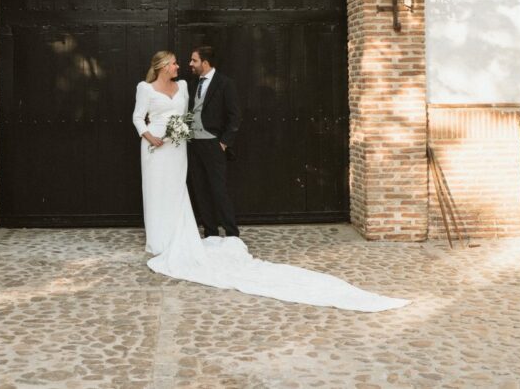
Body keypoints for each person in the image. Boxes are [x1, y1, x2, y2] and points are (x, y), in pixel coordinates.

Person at [132, 50, 410, 312]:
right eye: (175, 62)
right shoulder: (150, 88)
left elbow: (190, 116)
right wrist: (152, 137)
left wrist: (205, 141)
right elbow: (141, 117)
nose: (181, 65)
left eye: (188, 61)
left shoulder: (185, 86)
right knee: (159, 192)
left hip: (182, 146)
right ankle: (165, 240)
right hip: (157, 146)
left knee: (184, 191)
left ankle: (209, 233)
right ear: (161, 66)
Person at [186, 46, 240, 238]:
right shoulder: (192, 83)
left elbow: (234, 117)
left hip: (213, 143)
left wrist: (224, 143)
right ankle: (210, 232)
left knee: (218, 190)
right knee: (200, 189)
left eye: (194, 60)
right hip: (194, 144)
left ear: (205, 63)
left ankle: (232, 233)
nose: (190, 64)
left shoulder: (225, 83)